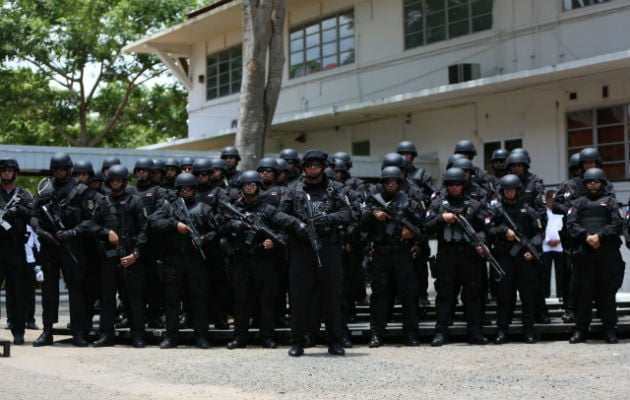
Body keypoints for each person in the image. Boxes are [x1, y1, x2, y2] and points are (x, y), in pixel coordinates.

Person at [275, 150, 352, 357]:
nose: (312, 168)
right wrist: (297, 224)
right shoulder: (293, 190)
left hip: (329, 249)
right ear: (303, 168)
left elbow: (348, 214)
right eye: (309, 165)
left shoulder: (335, 189)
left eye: (316, 165)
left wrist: (327, 219)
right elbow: (279, 214)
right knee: (300, 299)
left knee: (332, 297)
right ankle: (298, 342)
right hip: (302, 250)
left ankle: (334, 341)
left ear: (323, 167)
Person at [30, 153, 94, 347]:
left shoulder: (81, 190)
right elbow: (33, 215)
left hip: (72, 247)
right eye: (56, 169)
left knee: (76, 290)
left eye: (62, 169)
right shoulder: (46, 190)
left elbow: (90, 220)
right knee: (49, 291)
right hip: (50, 247)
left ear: (69, 169)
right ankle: (47, 331)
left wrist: (72, 233)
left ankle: (78, 332)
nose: (59, 172)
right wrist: (41, 232)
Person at [149, 173, 217, 349]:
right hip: (173, 259)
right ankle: (171, 336)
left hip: (196, 259)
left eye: (188, 189)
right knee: (172, 299)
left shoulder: (204, 208)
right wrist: (175, 225)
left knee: (199, 299)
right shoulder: (169, 208)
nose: (185, 192)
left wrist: (203, 238)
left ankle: (201, 336)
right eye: (182, 189)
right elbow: (154, 222)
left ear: (194, 190)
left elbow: (216, 231)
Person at [425, 167, 489, 346]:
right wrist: (442, 218)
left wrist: (480, 243)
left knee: (472, 296)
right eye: (450, 184)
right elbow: (426, 226)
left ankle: (475, 333)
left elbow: (484, 229)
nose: (454, 188)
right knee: (445, 296)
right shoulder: (438, 204)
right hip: (447, 255)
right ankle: (440, 333)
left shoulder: (474, 204)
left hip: (470, 256)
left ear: (464, 185)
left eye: (458, 184)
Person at [221, 171, 284, 349]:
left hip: (263, 259)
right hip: (241, 259)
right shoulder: (235, 208)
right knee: (241, 300)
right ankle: (239, 338)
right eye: (246, 185)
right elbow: (220, 227)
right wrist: (234, 225)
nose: (249, 187)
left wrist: (273, 242)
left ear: (258, 186)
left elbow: (282, 230)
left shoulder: (268, 208)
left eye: (252, 184)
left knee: (267, 301)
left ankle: (268, 337)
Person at [362, 166, 423, 347]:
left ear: (400, 183)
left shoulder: (409, 203)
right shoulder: (373, 203)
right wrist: (373, 216)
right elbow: (362, 226)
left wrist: (412, 236)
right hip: (381, 255)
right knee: (379, 297)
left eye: (394, 182)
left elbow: (423, 228)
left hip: (402, 253)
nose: (390, 185)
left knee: (408, 296)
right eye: (387, 182)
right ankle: (376, 334)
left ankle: (410, 334)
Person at [89, 165, 148, 348]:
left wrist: (136, 253)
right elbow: (91, 226)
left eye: (118, 180)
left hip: (130, 257)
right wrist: (106, 232)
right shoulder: (102, 201)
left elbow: (145, 230)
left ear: (124, 181)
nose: (115, 183)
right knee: (107, 298)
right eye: (113, 180)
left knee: (133, 298)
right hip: (109, 257)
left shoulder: (134, 201)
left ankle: (137, 335)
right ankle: (106, 335)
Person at [567, 168, 623, 344]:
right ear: (585, 184)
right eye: (589, 181)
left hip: (606, 253)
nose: (592, 184)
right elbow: (571, 224)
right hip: (584, 253)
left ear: (602, 183)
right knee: (583, 293)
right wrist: (586, 236)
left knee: (606, 293)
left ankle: (610, 330)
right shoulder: (578, 203)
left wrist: (600, 236)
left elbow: (617, 224)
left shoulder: (611, 202)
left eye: (596, 181)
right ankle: (581, 330)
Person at [486, 174, 542, 344]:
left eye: (512, 190)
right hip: (504, 258)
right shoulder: (496, 210)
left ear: (518, 191)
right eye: (506, 191)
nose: (509, 193)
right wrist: (504, 231)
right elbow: (488, 228)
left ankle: (529, 331)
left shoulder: (528, 210)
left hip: (524, 259)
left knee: (527, 297)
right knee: (504, 297)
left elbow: (538, 234)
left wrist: (533, 250)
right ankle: (502, 331)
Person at [0, 159, 34, 345]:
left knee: (17, 293)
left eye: (9, 171)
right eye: (3, 170)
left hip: (16, 248)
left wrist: (18, 209)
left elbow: (34, 214)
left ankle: (18, 331)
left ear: (16, 173)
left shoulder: (24, 194)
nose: (6, 173)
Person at [542, 190, 566, 302]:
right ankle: (545, 293)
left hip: (559, 245)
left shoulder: (561, 212)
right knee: (545, 271)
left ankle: (561, 293)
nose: (552, 203)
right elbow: (540, 227)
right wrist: (547, 240)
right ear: (546, 200)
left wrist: (558, 240)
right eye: (550, 200)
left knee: (561, 271)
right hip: (546, 245)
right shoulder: (543, 212)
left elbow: (564, 227)